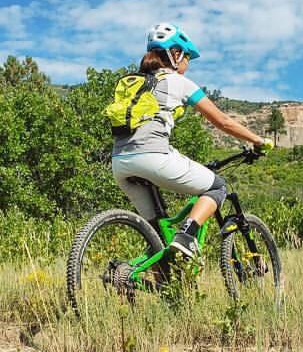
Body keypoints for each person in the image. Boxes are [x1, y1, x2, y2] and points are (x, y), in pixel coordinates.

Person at [112, 22, 273, 259]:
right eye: (187, 58)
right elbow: (223, 122)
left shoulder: (135, 82)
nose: (187, 64)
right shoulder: (179, 82)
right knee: (217, 186)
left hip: (119, 163)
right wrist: (258, 141)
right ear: (175, 54)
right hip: (153, 157)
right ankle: (187, 236)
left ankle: (135, 277)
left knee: (158, 240)